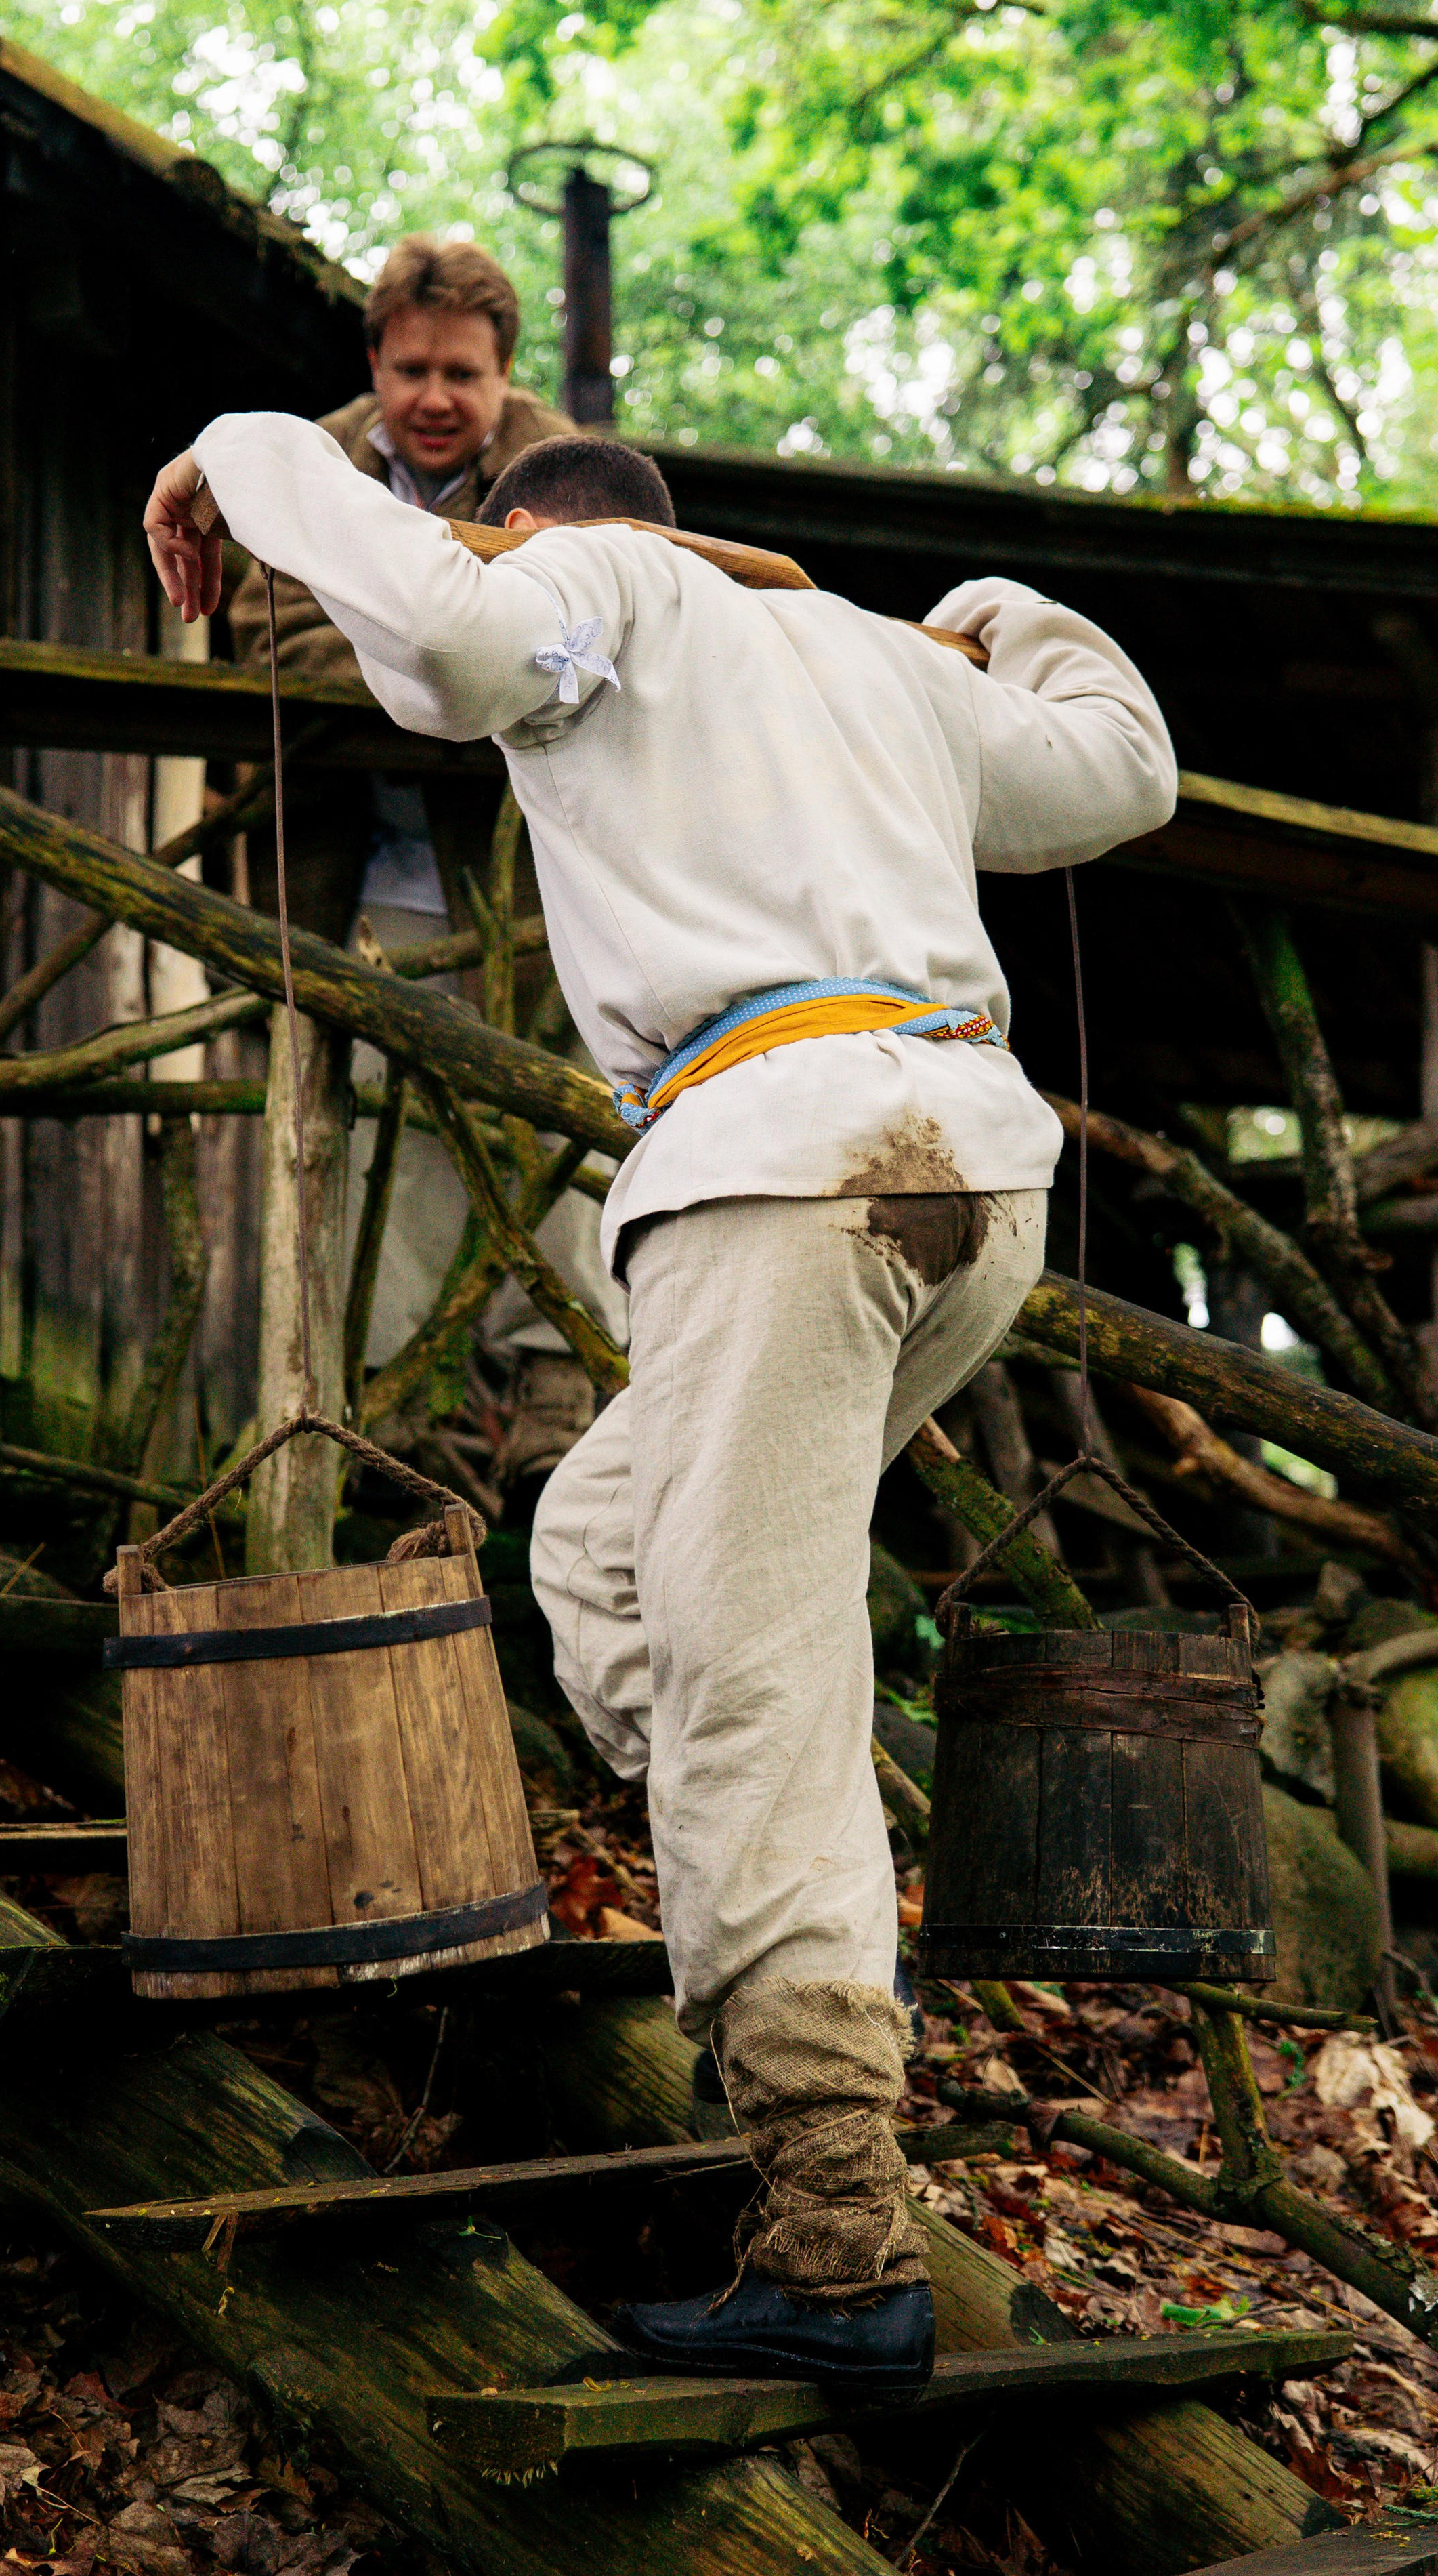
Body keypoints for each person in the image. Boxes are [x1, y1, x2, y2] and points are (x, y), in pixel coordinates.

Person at [144, 419, 1177, 2388]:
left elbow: (450, 649)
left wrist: (241, 444)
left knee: (743, 1684)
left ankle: (831, 2227)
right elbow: (1124, 771)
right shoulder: (875, 656)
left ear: (530, 534)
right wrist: (985, 616)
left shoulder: (600, 586)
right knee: (605, 1552)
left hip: (786, 1170)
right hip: (970, 1176)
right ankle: (771, 1856)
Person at [226, 236, 618, 1468]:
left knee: (551, 1098)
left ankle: (561, 1381)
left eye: (462, 373)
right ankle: (414, 1401)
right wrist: (458, 657)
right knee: (387, 1107)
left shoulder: (574, 477)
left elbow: (598, 639)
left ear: (504, 373)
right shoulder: (314, 464)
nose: (434, 399)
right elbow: (266, 632)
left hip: (529, 874)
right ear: (377, 365)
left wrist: (403, 633)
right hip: (357, 872)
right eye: (411, 371)